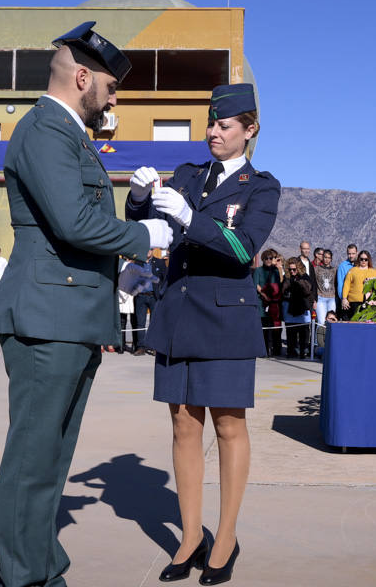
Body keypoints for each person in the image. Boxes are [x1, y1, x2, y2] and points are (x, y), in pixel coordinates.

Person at [0, 20, 172, 587]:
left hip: (69, 316)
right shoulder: (45, 130)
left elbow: (78, 223)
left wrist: (129, 238)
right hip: (47, 318)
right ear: (82, 76)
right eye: (111, 88)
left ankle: (38, 567)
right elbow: (72, 222)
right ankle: (21, 577)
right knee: (33, 460)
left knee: (52, 460)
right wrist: (147, 238)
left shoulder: (68, 134)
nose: (113, 99)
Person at [126, 81, 278, 585]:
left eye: (225, 125)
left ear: (249, 130)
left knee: (228, 426)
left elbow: (243, 249)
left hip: (226, 318)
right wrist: (138, 199)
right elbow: (154, 230)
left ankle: (227, 536)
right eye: (211, 123)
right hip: (178, 313)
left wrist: (192, 219)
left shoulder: (261, 187)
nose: (213, 132)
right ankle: (191, 535)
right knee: (182, 424)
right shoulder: (190, 175)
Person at [131, 249, 167, 355]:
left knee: (154, 322)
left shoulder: (159, 262)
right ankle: (141, 347)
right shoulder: (137, 263)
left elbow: (165, 278)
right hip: (140, 297)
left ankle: (154, 347)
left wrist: (162, 293)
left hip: (154, 297)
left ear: (153, 250)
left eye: (150, 249)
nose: (148, 251)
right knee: (140, 323)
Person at [281, 256, 315, 359]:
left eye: (294, 269)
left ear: (298, 268)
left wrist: (298, 282)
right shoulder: (287, 277)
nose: (292, 271)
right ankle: (291, 351)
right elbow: (283, 290)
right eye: (290, 269)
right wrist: (287, 282)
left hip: (302, 307)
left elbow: (308, 290)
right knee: (291, 331)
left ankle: (302, 351)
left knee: (303, 332)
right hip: (290, 307)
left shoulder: (305, 277)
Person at [253, 249, 283, 357]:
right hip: (262, 301)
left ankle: (275, 350)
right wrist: (264, 295)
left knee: (274, 327)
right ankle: (264, 350)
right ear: (263, 259)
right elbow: (256, 285)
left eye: (271, 258)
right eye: (267, 258)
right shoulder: (258, 271)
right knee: (263, 326)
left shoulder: (275, 271)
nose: (269, 260)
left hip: (273, 302)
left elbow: (279, 285)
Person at [340, 250, 376, 321]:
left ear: (369, 260)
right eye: (361, 259)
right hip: (353, 302)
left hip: (369, 303)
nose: (363, 261)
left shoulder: (375, 272)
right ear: (359, 259)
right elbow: (346, 285)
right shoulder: (352, 271)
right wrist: (344, 298)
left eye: (366, 259)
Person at [312, 249, 337, 333]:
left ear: (331, 259)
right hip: (320, 298)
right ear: (322, 258)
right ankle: (318, 344)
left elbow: (336, 283)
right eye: (325, 257)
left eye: (328, 258)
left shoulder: (334, 270)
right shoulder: (316, 269)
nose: (326, 259)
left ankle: (329, 342)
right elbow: (313, 283)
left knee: (332, 321)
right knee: (321, 322)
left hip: (331, 298)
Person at [335, 244, 357, 314]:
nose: (351, 256)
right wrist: (343, 298)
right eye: (349, 254)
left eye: (353, 253)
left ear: (357, 253)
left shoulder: (360, 265)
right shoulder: (342, 266)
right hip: (347, 299)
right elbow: (340, 284)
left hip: (357, 298)